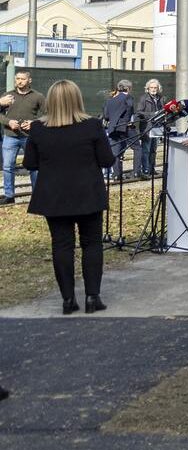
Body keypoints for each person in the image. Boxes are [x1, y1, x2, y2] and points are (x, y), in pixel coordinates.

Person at [24, 81, 114, 314]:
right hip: (88, 193)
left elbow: (30, 163)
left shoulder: (38, 128)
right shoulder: (92, 126)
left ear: (50, 101)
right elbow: (107, 160)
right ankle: (92, 297)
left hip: (53, 196)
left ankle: (67, 300)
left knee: (61, 245)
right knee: (91, 243)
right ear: (78, 99)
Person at [1, 68, 44, 205]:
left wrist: (34, 123)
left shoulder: (38, 96)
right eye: (17, 79)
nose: (19, 81)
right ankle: (9, 196)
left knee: (34, 166)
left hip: (30, 137)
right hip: (10, 136)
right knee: (8, 166)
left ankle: (37, 196)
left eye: (22, 79)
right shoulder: (7, 96)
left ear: (29, 80)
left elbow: (48, 114)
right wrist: (8, 122)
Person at [101, 79, 133, 182]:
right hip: (122, 128)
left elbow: (106, 116)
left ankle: (116, 175)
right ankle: (118, 174)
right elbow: (130, 109)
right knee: (122, 151)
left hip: (112, 128)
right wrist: (127, 121)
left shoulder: (109, 101)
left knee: (116, 152)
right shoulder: (127, 97)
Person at [133, 79, 163, 179]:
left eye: (155, 88)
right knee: (146, 149)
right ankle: (145, 170)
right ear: (148, 89)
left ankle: (151, 169)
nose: (153, 89)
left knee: (154, 149)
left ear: (158, 88)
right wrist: (152, 114)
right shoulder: (143, 98)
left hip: (157, 126)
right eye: (151, 88)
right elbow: (139, 112)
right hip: (147, 127)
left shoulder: (160, 98)